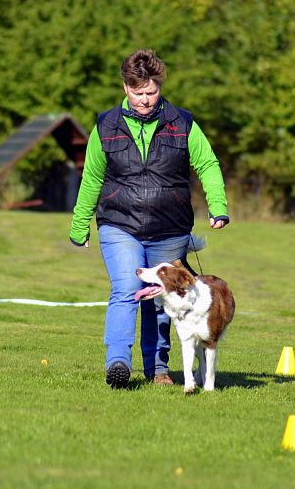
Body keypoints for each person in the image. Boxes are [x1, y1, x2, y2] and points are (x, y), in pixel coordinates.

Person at [69, 49, 229, 389]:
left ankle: (158, 370)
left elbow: (208, 165)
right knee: (127, 288)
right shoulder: (106, 126)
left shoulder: (182, 122)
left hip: (169, 227)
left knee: (163, 297)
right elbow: (92, 178)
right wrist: (79, 223)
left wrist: (218, 206)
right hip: (119, 223)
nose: (144, 99)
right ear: (125, 88)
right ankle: (118, 362)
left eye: (151, 91)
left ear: (160, 86)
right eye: (137, 92)